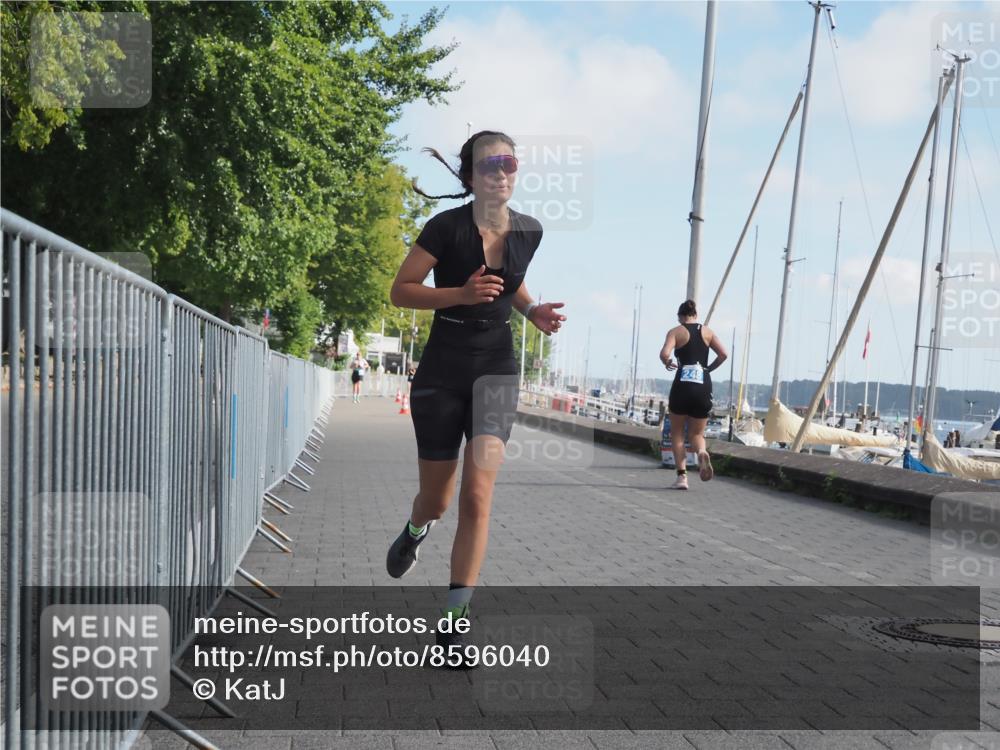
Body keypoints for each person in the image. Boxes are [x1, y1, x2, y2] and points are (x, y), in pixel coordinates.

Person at [385, 130, 566, 664]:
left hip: (496, 373)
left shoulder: (529, 231)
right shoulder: (444, 228)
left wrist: (532, 311)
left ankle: (452, 623)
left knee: (478, 496)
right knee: (438, 500)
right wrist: (459, 295)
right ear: (470, 177)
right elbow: (401, 290)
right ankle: (416, 529)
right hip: (441, 374)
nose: (501, 173)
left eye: (509, 162)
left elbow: (510, 285)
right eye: (490, 165)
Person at [659, 300, 727, 490]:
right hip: (703, 384)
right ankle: (702, 452)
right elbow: (723, 354)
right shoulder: (708, 332)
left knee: (677, 433)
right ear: (695, 315)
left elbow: (664, 353)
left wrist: (667, 362)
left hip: (682, 384)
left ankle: (682, 478)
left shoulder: (675, 332)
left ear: (680, 316)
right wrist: (707, 370)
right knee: (697, 433)